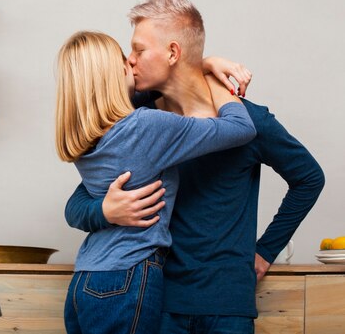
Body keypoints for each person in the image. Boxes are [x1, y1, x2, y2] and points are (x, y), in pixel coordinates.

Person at [65, 0, 325, 334]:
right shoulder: (142, 120)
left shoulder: (249, 121)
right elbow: (77, 202)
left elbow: (310, 178)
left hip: (226, 306)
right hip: (157, 300)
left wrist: (265, 251)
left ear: (173, 52)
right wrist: (105, 211)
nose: (129, 61)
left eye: (139, 50)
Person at [55, 29, 257, 334]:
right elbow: (240, 127)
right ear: (115, 73)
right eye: (126, 60)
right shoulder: (145, 127)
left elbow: (145, 94)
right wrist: (215, 79)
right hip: (128, 277)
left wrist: (201, 63)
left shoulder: (87, 138)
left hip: (84, 279)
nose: (134, 65)